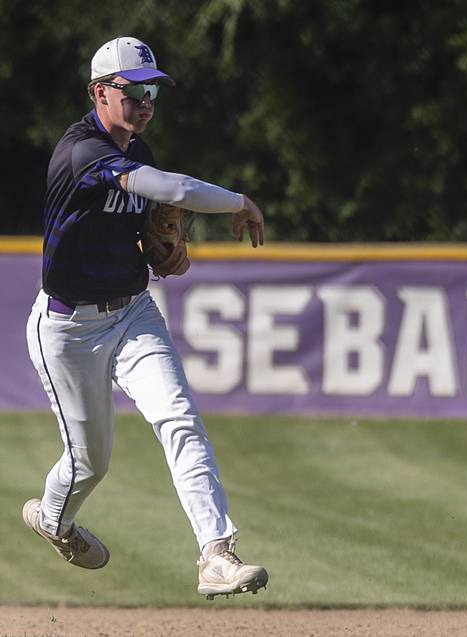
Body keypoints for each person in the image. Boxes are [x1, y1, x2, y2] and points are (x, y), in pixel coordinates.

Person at [22, 36, 268, 600]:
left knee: (179, 417)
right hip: (67, 329)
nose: (145, 101)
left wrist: (154, 247)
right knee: (90, 463)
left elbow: (146, 226)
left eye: (152, 90)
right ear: (98, 92)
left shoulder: (139, 152)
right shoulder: (81, 153)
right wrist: (239, 201)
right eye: (132, 90)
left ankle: (216, 555)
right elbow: (174, 189)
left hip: (132, 311)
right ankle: (53, 520)